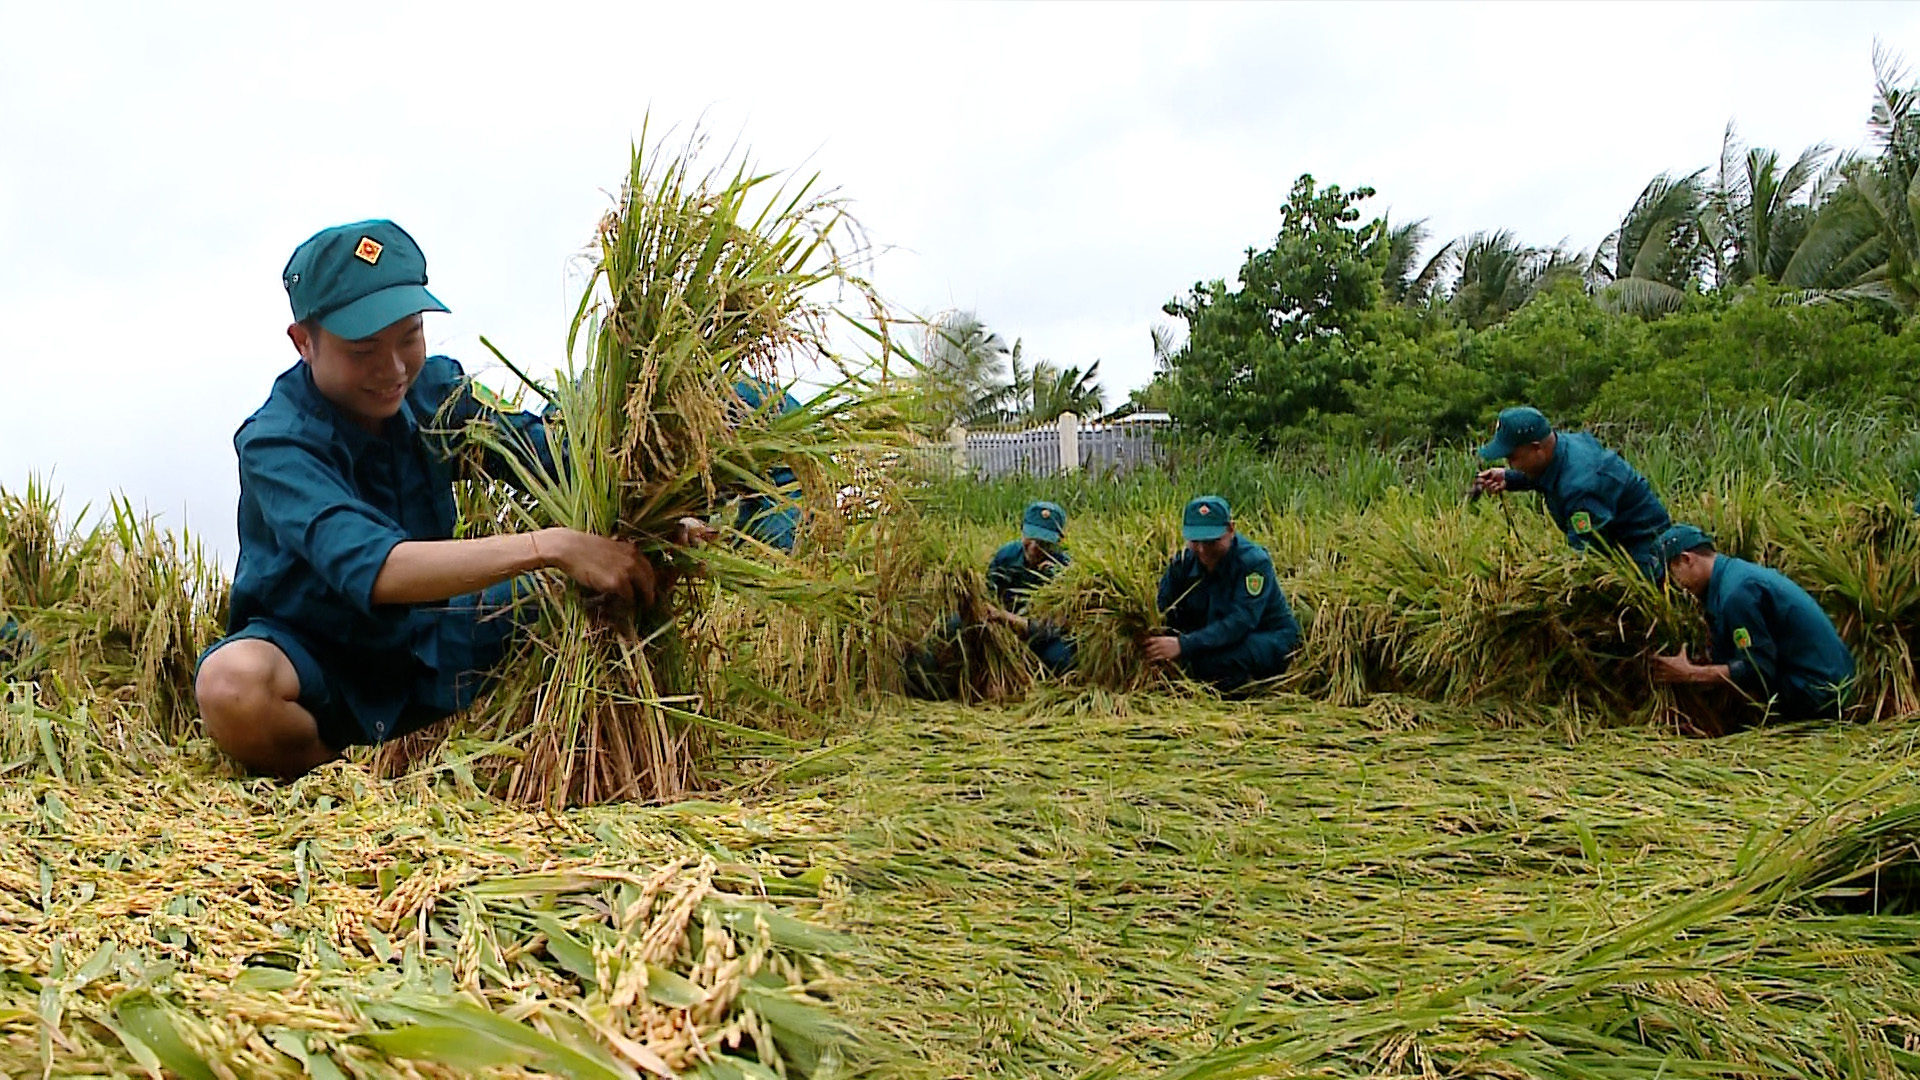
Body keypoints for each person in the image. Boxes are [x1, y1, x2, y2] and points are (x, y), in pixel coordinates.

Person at [194, 220, 664, 780]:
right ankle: (340, 777)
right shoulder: (276, 442)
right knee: (232, 684)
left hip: (439, 637)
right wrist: (551, 546)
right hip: (322, 658)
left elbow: (551, 456)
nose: (392, 369)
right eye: (363, 349)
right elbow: (378, 570)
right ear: (304, 342)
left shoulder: (439, 392)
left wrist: (655, 498)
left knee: (626, 565)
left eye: (409, 336)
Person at [1649, 523, 1855, 726]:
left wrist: (1691, 674)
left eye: (1673, 574)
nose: (1677, 584)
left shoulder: (1736, 594)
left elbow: (1757, 669)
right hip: (1830, 679)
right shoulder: (1731, 577)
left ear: (1686, 559)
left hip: (1820, 692)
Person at [1472, 406, 1672, 578]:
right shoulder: (1562, 445)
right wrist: (1509, 478)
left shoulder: (1580, 490)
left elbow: (1585, 558)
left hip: (1647, 550)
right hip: (1613, 534)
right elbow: (1552, 474)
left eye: (1512, 457)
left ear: (1536, 449)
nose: (1509, 463)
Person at [1143, 496, 1300, 692]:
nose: (1202, 549)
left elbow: (1240, 622)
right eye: (1196, 541)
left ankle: (1249, 687)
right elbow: (1164, 607)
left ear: (1231, 530)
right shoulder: (1183, 563)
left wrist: (1183, 645)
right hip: (1213, 637)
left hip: (1264, 637)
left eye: (1211, 541)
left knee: (1211, 664)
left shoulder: (1253, 564)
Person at [979, 501, 1075, 674]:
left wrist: (1007, 618)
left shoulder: (1065, 569)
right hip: (1000, 625)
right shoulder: (1006, 556)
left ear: (1059, 541)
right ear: (1022, 531)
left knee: (1062, 659)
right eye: (1030, 538)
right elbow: (988, 592)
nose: (1034, 547)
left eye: (1043, 542)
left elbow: (1057, 626)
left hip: (1038, 635)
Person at [729, 377, 804, 552]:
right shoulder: (743, 388)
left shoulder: (729, 399)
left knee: (770, 550)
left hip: (785, 487)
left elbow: (713, 463)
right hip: (778, 484)